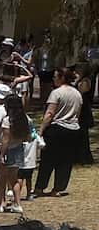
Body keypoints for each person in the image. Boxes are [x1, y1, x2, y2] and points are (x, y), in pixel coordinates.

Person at [34, 68, 85, 198]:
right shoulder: (77, 94)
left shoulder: (56, 93)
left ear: (62, 78)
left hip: (57, 129)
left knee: (47, 160)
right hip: (73, 130)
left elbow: (50, 113)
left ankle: (40, 187)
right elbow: (78, 114)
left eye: (56, 76)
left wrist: (41, 131)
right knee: (65, 160)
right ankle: (58, 188)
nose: (53, 78)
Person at [0, 90, 31, 213]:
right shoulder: (26, 120)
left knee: (0, 178)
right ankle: (17, 204)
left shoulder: (8, 120)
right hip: (19, 150)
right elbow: (28, 137)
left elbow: (5, 139)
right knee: (14, 179)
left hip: (8, 151)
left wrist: (1, 154)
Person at [76, 62, 95, 166]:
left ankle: (85, 157)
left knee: (83, 136)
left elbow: (82, 92)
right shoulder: (80, 79)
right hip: (81, 108)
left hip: (84, 110)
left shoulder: (86, 80)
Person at [34, 33, 53, 105]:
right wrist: (36, 69)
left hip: (50, 70)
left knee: (48, 87)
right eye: (45, 40)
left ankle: (47, 101)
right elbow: (36, 60)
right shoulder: (39, 50)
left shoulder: (52, 50)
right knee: (42, 87)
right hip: (41, 70)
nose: (47, 41)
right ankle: (42, 102)